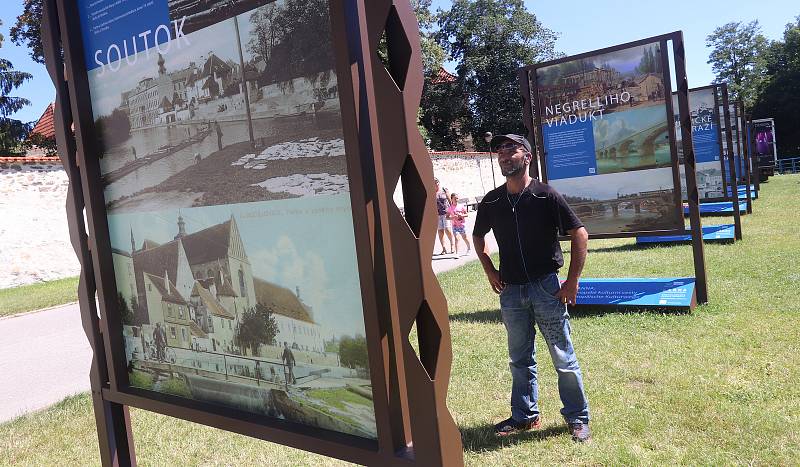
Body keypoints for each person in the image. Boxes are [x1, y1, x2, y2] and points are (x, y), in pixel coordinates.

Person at [472, 133, 591, 442]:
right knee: (519, 358)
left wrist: (573, 279)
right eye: (500, 151)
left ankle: (577, 419)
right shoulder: (493, 200)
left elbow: (579, 232)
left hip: (546, 288)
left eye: (511, 149)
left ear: (527, 156)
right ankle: (524, 416)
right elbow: (478, 236)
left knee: (563, 357)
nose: (504, 155)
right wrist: (489, 270)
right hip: (511, 292)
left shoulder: (545, 195)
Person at [434, 177, 455, 255]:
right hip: (437, 215)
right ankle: (444, 248)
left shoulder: (444, 190)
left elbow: (450, 201)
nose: (435, 183)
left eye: (436, 182)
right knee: (440, 232)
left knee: (447, 230)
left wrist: (453, 211)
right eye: (434, 182)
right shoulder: (432, 192)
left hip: (446, 213)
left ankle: (452, 245)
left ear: (439, 182)